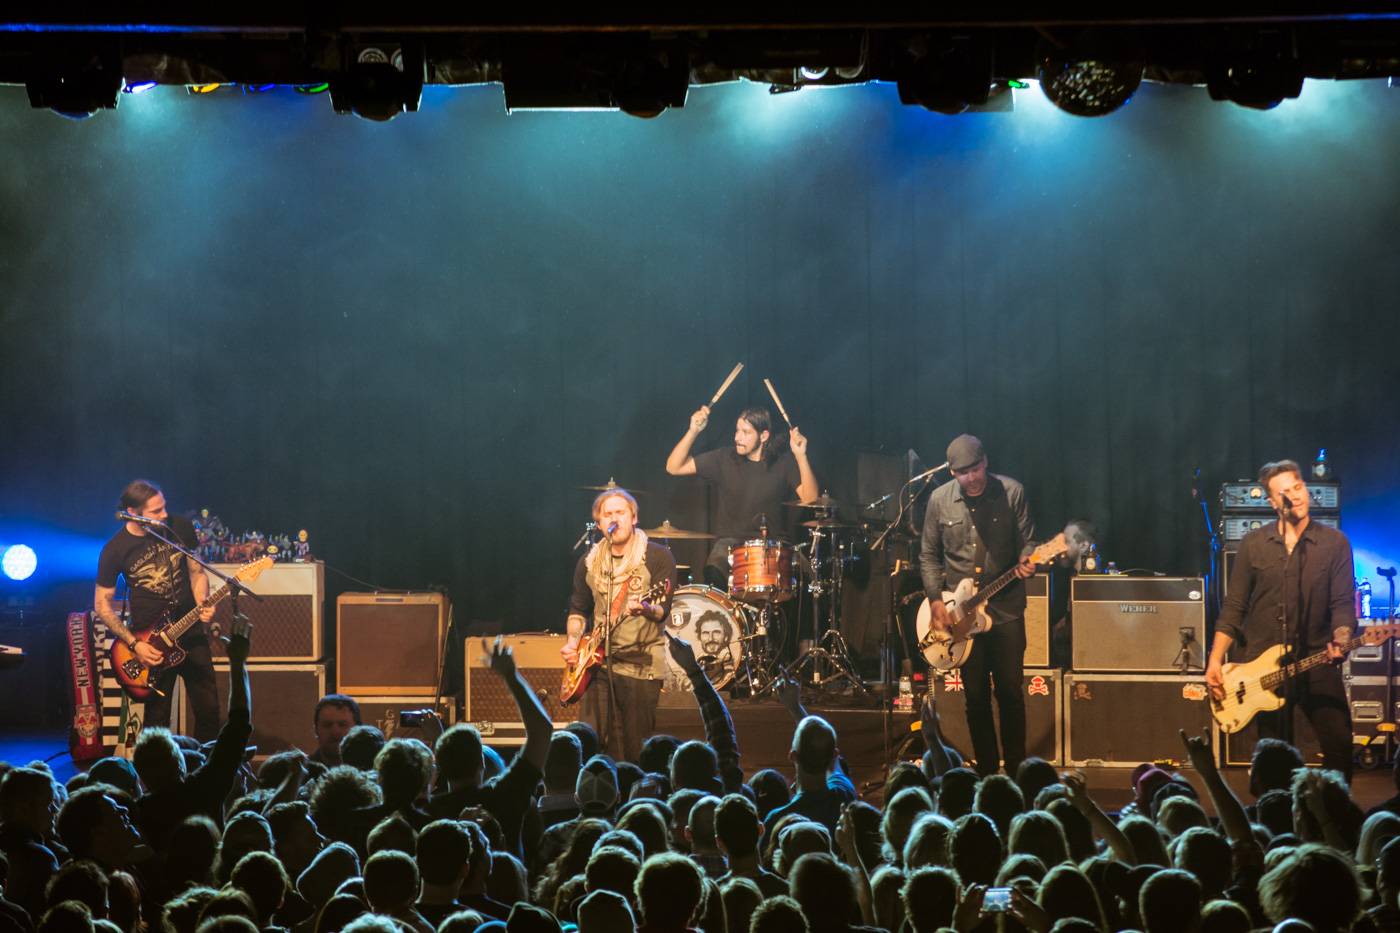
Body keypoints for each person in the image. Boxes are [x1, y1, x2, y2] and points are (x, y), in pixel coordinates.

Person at [1208, 459, 1357, 778]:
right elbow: (1234, 606)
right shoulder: (1254, 544)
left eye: (1298, 487)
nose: (1296, 496)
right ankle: (1276, 817)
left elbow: (1343, 604)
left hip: (1316, 659)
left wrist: (1341, 640)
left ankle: (1333, 817)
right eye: (1285, 492)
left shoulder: (1335, 544)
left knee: (1340, 746)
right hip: (1263, 667)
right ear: (1272, 501)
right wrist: (1215, 660)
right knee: (1273, 759)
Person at [918, 435, 1036, 777]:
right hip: (961, 614)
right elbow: (927, 555)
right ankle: (986, 773)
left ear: (985, 462)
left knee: (1011, 694)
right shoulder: (939, 500)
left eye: (974, 469)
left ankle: (1016, 772)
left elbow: (1028, 541)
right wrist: (936, 600)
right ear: (952, 472)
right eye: (961, 473)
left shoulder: (1012, 492)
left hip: (1006, 608)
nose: (970, 478)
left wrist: (1028, 559)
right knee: (975, 698)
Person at [94, 480, 219, 739]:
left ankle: (207, 772)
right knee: (157, 718)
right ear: (133, 512)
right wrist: (133, 644)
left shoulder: (179, 528)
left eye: (164, 507)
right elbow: (102, 604)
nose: (164, 515)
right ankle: (158, 775)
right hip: (150, 643)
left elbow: (197, 573)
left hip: (190, 631)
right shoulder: (114, 550)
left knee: (209, 711)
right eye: (156, 511)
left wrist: (203, 602)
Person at [562, 489, 678, 763]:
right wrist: (572, 642)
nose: (615, 518)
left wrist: (646, 608)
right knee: (589, 744)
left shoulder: (658, 557)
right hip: (596, 665)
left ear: (634, 518)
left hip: (641, 665)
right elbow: (579, 608)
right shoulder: (589, 562)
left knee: (634, 750)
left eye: (621, 512)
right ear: (600, 524)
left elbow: (663, 610)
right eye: (608, 514)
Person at [665, 405, 818, 587]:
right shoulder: (724, 458)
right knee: (713, 572)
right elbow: (673, 467)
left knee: (807, 579)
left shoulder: (783, 463)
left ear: (763, 436)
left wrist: (801, 456)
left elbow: (810, 499)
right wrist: (693, 431)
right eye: (737, 430)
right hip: (730, 545)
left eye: (746, 432)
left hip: (773, 545)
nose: (737, 437)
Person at [310, 696, 362, 768]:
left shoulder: (374, 774)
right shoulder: (301, 775)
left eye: (342, 725)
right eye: (327, 725)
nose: (335, 732)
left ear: (358, 729)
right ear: (316, 730)